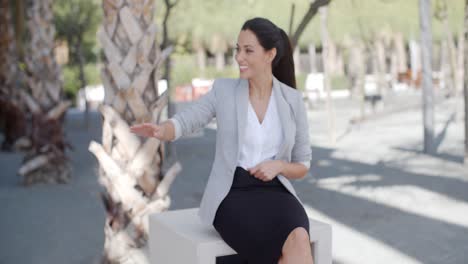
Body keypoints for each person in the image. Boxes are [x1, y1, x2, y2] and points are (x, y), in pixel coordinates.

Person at [130, 17, 313, 264]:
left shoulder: (292, 99)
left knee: (300, 238)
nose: (239, 57)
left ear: (270, 55)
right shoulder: (224, 91)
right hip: (232, 194)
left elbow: (303, 164)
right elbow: (189, 119)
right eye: (238, 49)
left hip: (277, 192)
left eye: (248, 50)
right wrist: (164, 130)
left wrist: (279, 166)